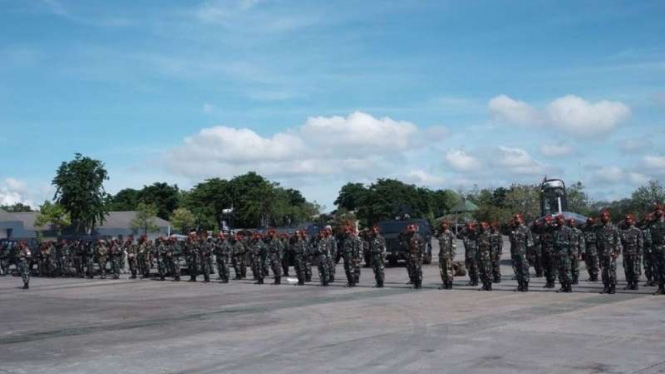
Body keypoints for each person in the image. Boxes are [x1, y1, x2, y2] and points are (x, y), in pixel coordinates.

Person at [597, 210, 622, 295]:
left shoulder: (614, 228)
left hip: (611, 253)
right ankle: (606, 286)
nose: (604, 218)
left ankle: (613, 287)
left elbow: (618, 241)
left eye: (606, 216)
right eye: (602, 216)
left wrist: (616, 252)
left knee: (611, 271)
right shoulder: (599, 229)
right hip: (602, 253)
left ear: (609, 217)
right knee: (604, 271)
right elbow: (598, 242)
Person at [509, 214, 533, 292]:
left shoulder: (525, 229)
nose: (516, 220)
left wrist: (529, 253)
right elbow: (503, 230)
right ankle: (520, 285)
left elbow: (530, 242)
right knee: (516, 269)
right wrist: (509, 223)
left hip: (523, 252)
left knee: (524, 269)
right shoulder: (512, 229)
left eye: (518, 218)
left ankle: (525, 285)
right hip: (514, 252)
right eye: (515, 218)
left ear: (521, 219)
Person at [621, 214, 643, 290]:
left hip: (635, 253)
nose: (628, 221)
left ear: (633, 221)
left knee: (635, 269)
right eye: (626, 220)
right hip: (626, 253)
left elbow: (640, 243)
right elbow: (621, 242)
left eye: (629, 219)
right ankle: (629, 283)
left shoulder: (637, 231)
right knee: (627, 269)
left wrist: (639, 253)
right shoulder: (623, 231)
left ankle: (636, 283)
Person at [553, 215, 574, 293]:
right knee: (560, 271)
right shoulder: (555, 230)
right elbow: (553, 242)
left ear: (563, 220)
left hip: (566, 253)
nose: (559, 221)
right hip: (557, 253)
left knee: (567, 270)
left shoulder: (568, 230)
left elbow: (572, 242)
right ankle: (563, 286)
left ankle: (569, 286)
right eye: (557, 220)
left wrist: (571, 253)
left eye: (560, 219)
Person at [458, 221, 479, 287]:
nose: (469, 227)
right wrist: (464, 228)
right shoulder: (465, 233)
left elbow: (477, 234)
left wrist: (473, 229)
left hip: (474, 252)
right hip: (467, 252)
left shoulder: (475, 233)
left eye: (470, 226)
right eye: (467, 226)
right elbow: (458, 235)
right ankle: (471, 280)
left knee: (475, 267)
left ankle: (476, 281)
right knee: (469, 267)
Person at [650, 205, 665, 295]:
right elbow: (640, 225)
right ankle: (660, 288)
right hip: (655, 248)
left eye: (660, 210)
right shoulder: (652, 223)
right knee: (657, 269)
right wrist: (651, 215)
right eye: (656, 210)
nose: (658, 211)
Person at [437, 221, 456, 290]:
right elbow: (435, 234)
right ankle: (444, 283)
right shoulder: (441, 234)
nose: (443, 225)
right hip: (441, 254)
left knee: (449, 270)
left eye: (445, 224)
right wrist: (438, 228)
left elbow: (453, 245)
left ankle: (450, 284)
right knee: (442, 270)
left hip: (448, 255)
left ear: (448, 225)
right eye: (442, 224)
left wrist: (452, 255)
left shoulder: (450, 234)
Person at [405, 224, 425, 289]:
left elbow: (422, 248)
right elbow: (400, 238)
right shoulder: (408, 237)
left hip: (417, 256)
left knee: (418, 271)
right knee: (412, 270)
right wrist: (406, 231)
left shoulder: (418, 237)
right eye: (410, 228)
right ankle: (415, 284)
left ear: (415, 229)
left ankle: (419, 284)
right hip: (411, 256)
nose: (412, 229)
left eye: (413, 228)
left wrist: (421, 258)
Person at [540, 216, 557, 289]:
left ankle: (552, 282)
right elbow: (533, 228)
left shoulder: (553, 229)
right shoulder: (543, 230)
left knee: (552, 267)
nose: (545, 223)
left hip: (552, 251)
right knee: (546, 268)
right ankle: (548, 281)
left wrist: (551, 224)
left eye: (546, 221)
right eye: (544, 221)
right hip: (544, 251)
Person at [477, 222, 493, 291]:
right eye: (481, 225)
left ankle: (489, 285)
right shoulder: (478, 235)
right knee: (481, 271)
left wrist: (493, 256)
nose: (482, 227)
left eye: (483, 225)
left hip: (487, 255)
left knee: (488, 271)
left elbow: (492, 246)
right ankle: (484, 284)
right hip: (479, 255)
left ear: (487, 226)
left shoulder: (489, 235)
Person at [583, 217, 600, 282]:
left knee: (594, 263)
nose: (589, 223)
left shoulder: (596, 228)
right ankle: (591, 276)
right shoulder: (585, 229)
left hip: (594, 247)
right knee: (588, 264)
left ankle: (595, 277)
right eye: (588, 222)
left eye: (591, 222)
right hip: (587, 248)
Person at [568, 219, 585, 285]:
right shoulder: (567, 231)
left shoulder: (578, 232)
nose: (571, 223)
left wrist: (582, 252)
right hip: (568, 252)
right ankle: (571, 278)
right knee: (569, 266)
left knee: (575, 266)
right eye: (570, 222)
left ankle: (575, 279)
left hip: (576, 251)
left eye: (572, 222)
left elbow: (582, 242)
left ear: (574, 223)